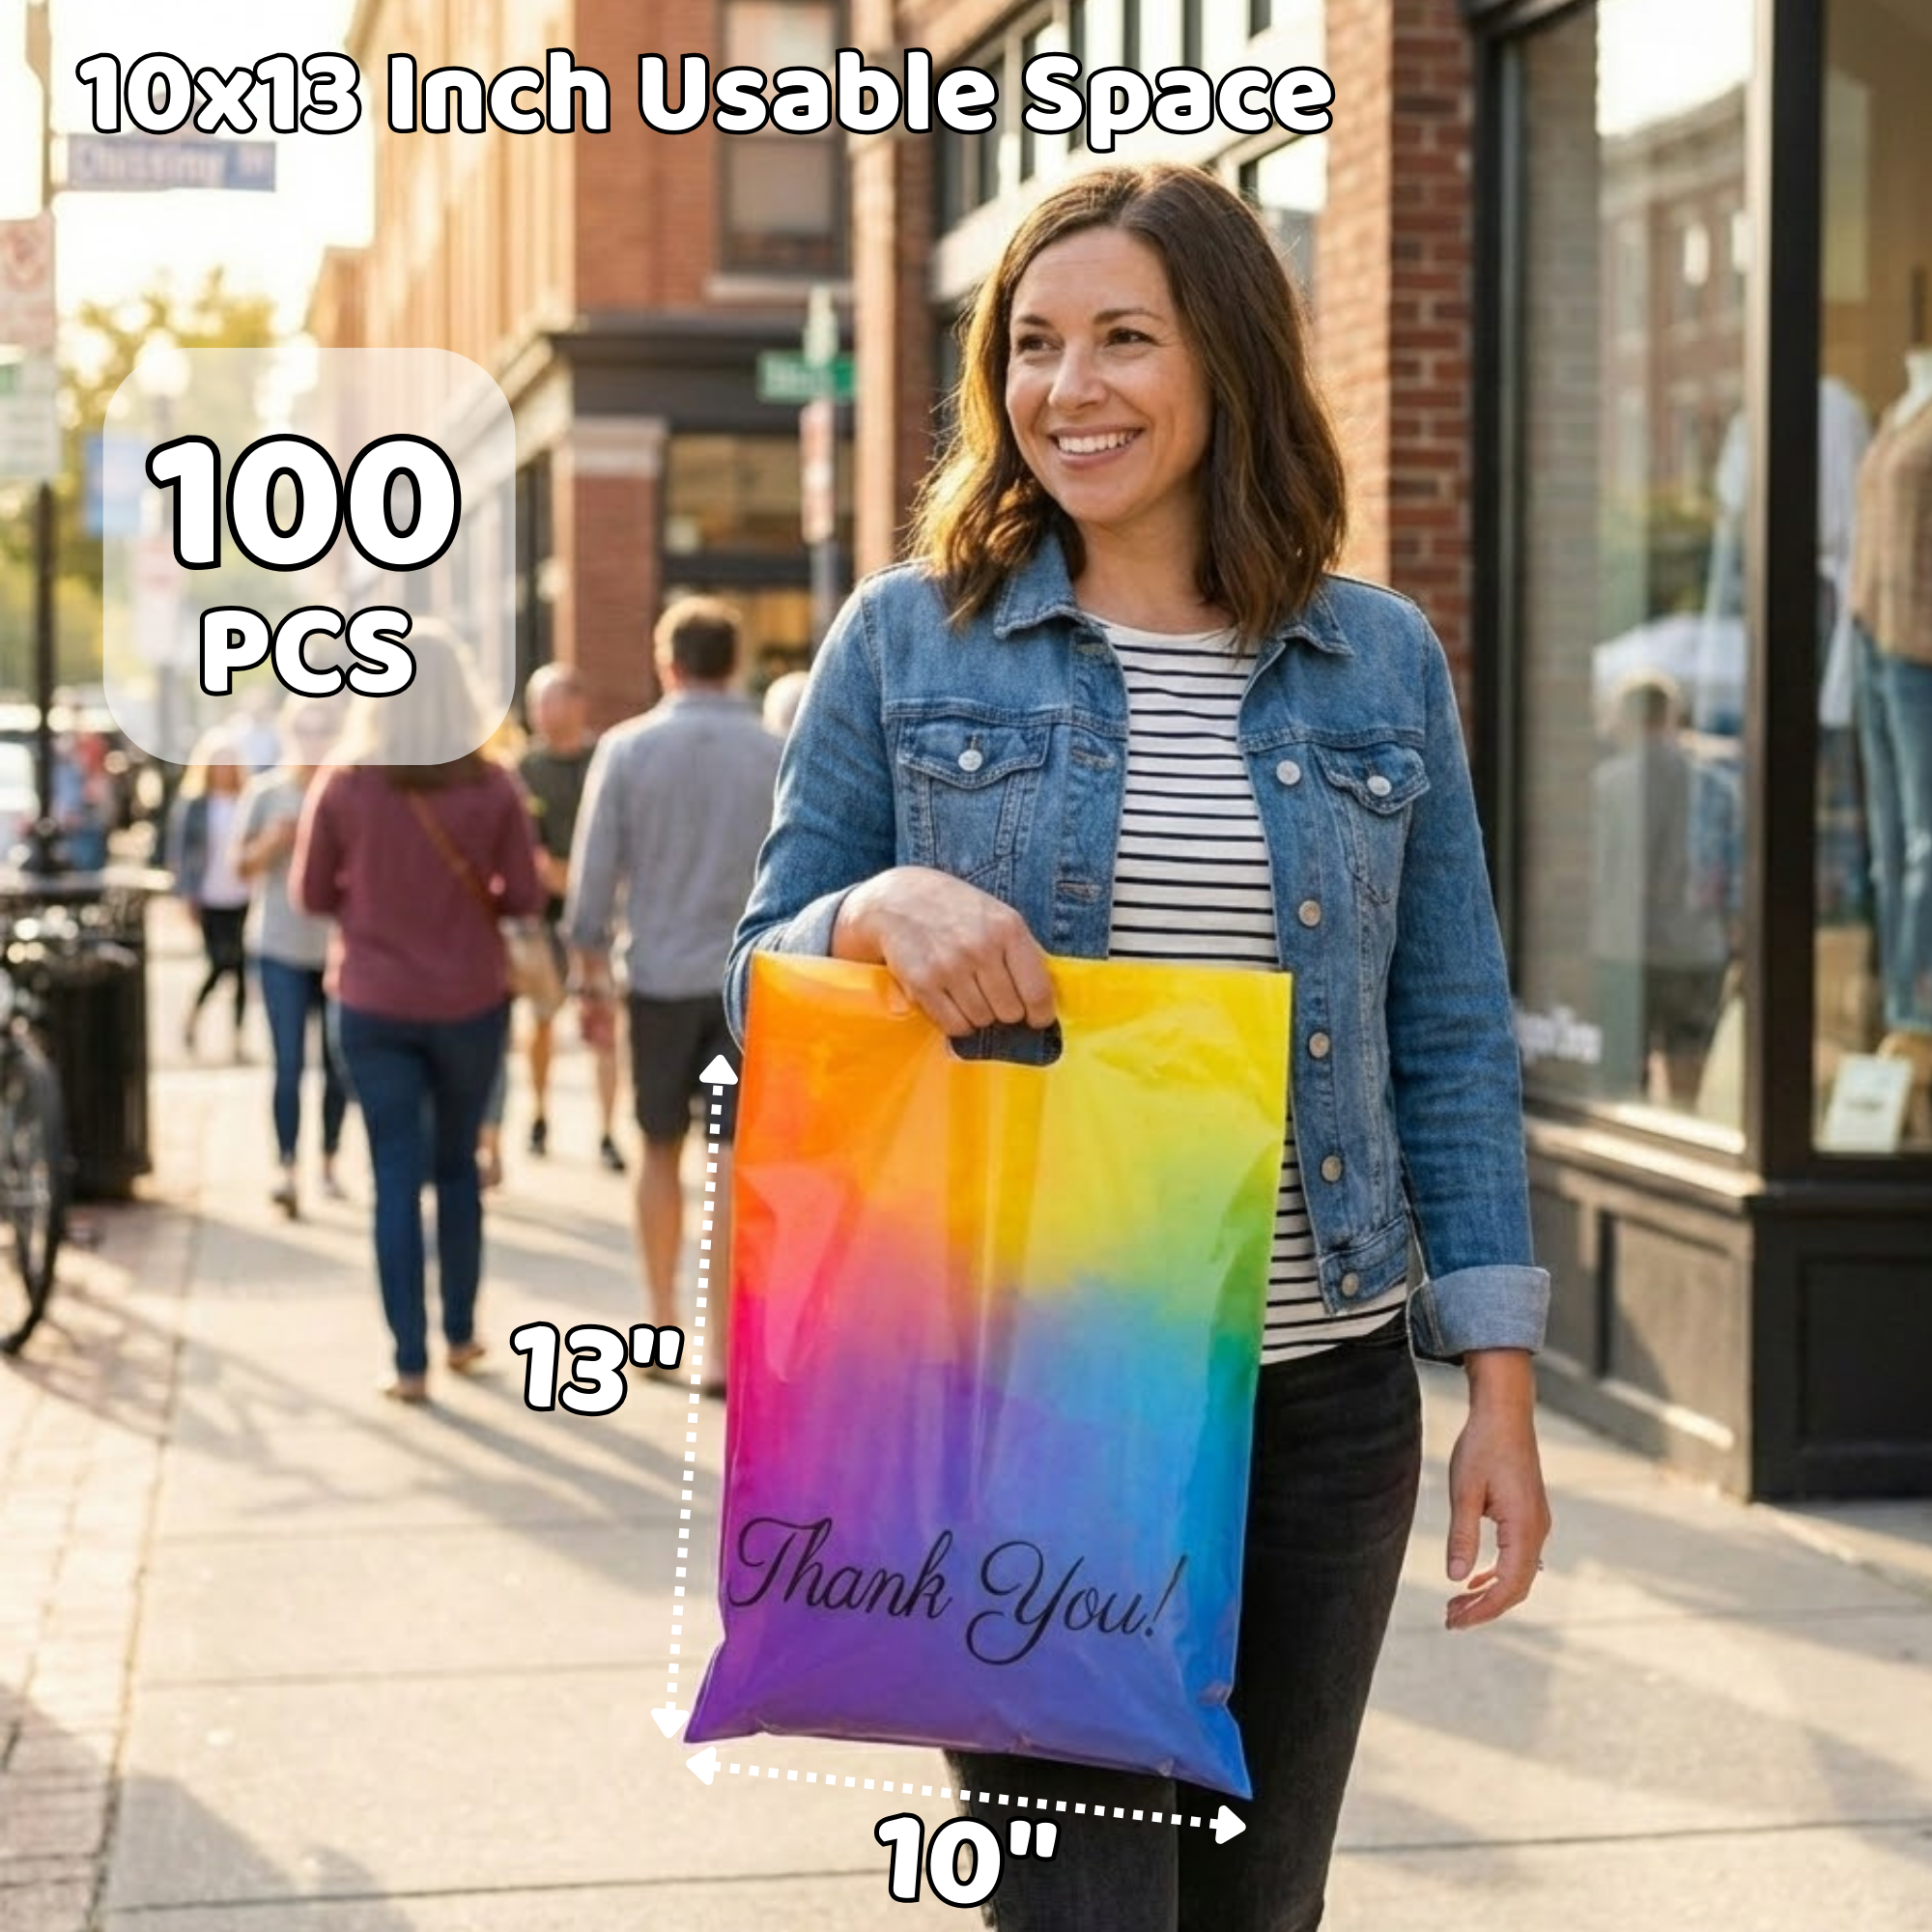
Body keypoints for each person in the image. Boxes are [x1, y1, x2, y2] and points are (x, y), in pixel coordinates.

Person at [724, 162, 1552, 1932]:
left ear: (1230, 362)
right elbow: (754, 974)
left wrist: (1498, 1383)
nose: (1067, 388)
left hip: (1324, 1406)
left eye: (1122, 339)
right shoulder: (909, 640)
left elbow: (1452, 1030)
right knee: (1090, 1916)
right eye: (1031, 345)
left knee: (1263, 1915)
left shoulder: (1377, 663)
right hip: (1032, 1395)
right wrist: (866, 915)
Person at [293, 626, 545, 1405]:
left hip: (371, 1003)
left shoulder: (345, 783)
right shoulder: (495, 786)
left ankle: (408, 1361)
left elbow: (309, 896)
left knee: (394, 1175)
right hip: (469, 1001)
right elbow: (528, 898)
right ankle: (462, 1331)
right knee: (457, 1166)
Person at [565, 597, 782, 1395]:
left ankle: (660, 1321)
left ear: (668, 663)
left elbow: (592, 884)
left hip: (656, 978)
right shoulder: (776, 751)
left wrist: (586, 976)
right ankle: (720, 1349)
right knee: (728, 1160)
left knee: (659, 1149)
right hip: (750, 986)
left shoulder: (625, 750)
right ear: (734, 662)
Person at [233, 696, 352, 1217]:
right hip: (279, 946)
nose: (314, 739)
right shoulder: (266, 794)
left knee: (337, 1065)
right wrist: (272, 844)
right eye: (305, 729)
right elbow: (239, 867)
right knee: (287, 1065)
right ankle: (286, 1167)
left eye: (324, 729)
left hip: (334, 950)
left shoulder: (347, 793)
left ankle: (327, 1160)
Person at [518, 664, 625, 1170]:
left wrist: (587, 887)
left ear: (579, 704)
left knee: (603, 1024)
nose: (543, 712)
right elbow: (523, 851)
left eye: (553, 701)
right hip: (542, 920)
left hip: (602, 920)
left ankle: (607, 1130)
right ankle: (539, 1115)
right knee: (542, 1020)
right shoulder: (524, 769)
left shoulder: (605, 760)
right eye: (538, 702)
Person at [167, 728, 254, 1061]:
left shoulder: (247, 799)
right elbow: (181, 852)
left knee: (242, 969)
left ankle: (237, 1038)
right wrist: (186, 895)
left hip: (243, 894)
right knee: (219, 964)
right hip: (210, 894)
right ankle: (193, 1015)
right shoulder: (195, 804)